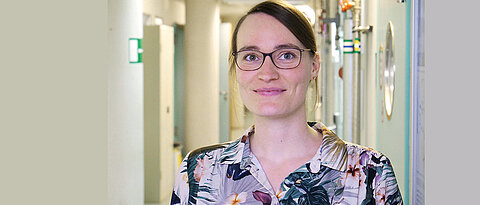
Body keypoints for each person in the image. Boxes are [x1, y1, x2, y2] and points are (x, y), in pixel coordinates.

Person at [171, 1, 403, 204]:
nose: (267, 73)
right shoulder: (199, 172)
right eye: (251, 57)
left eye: (286, 55)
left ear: (314, 66)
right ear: (236, 68)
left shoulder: (370, 173)